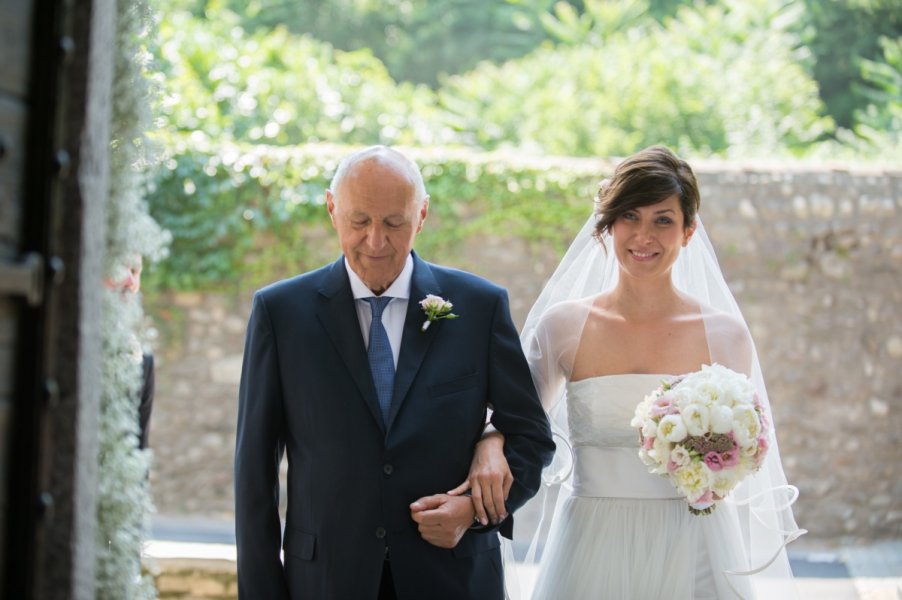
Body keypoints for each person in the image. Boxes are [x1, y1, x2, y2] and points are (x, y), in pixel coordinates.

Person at [465, 146, 804, 599]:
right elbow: (518, 423)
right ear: (607, 227)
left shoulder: (725, 335)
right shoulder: (564, 327)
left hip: (694, 543)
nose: (644, 235)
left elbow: (742, 451)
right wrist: (489, 442)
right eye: (630, 216)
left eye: (663, 219)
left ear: (688, 231)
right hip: (592, 540)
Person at [233, 145, 555, 599]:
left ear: (421, 215)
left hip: (452, 580)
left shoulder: (479, 307)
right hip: (324, 582)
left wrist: (472, 513)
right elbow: (254, 472)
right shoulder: (280, 313)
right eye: (359, 221)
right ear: (332, 209)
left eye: (394, 222)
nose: (376, 241)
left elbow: (532, 437)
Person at [105, 254, 154, 450]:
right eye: (120, 267)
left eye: (135, 271)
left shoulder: (143, 360)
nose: (131, 281)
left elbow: (138, 450)